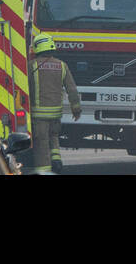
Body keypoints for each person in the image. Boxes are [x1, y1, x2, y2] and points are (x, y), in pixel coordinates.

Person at [29, 31, 80, 174]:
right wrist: (76, 109)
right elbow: (72, 90)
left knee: (42, 146)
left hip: (39, 116)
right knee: (54, 137)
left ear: (37, 48)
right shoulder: (62, 65)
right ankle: (56, 159)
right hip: (56, 115)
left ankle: (44, 171)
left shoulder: (32, 66)